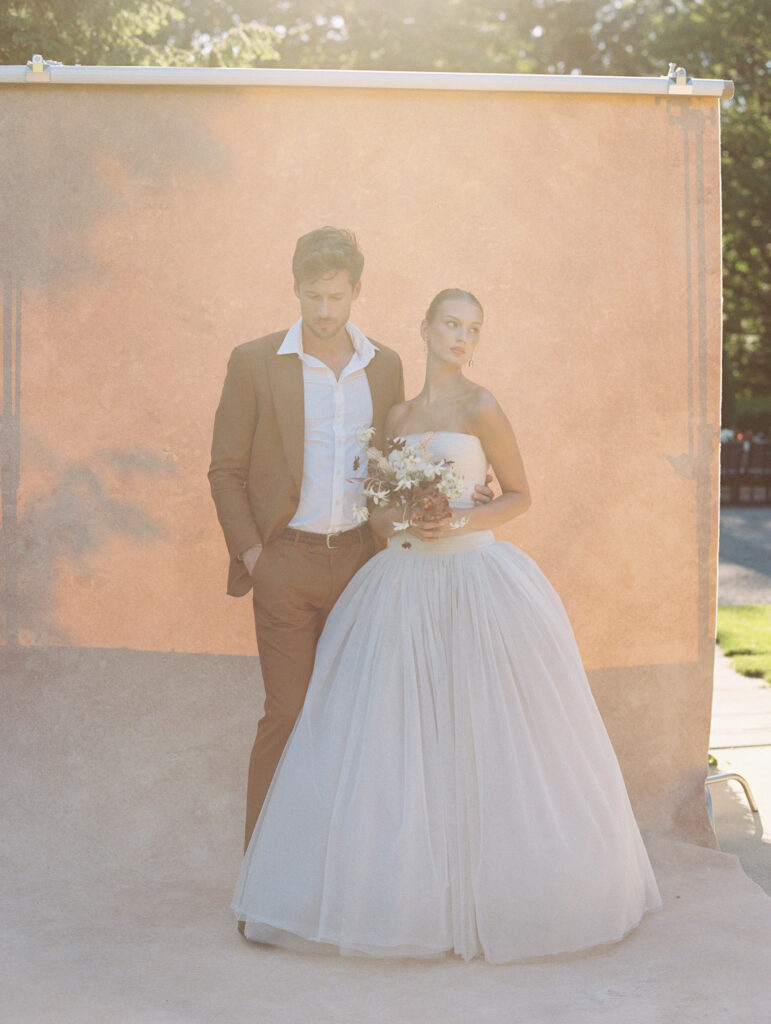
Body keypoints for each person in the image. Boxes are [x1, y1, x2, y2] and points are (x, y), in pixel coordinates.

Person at [231, 288, 662, 964]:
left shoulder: (481, 407)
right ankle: (405, 896)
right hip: (402, 581)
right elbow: (376, 511)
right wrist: (407, 518)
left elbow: (519, 494)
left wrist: (456, 518)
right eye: (451, 325)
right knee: (397, 734)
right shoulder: (396, 413)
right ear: (425, 329)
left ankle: (493, 892)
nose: (461, 338)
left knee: (481, 730)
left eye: (473, 329)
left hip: (473, 580)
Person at [209, 232, 494, 860]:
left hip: (366, 567)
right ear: (295, 288)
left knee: (363, 719)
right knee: (286, 715)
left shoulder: (385, 365)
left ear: (357, 290)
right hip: (286, 562)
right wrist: (256, 557)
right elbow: (225, 470)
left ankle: (341, 874)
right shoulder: (255, 360)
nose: (324, 310)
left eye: (336, 295)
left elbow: (400, 462)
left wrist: (452, 497)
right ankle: (264, 876)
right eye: (312, 295)